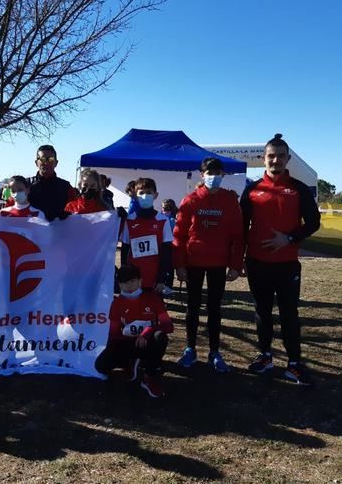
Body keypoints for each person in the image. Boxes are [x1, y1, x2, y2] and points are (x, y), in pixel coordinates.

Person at [241, 133, 321, 386]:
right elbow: (241, 227)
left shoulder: (298, 189)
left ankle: (294, 363)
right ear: (263, 158)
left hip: (287, 265)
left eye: (280, 156)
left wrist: (288, 239)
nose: (275, 160)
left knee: (289, 314)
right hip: (257, 263)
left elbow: (314, 223)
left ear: (287, 159)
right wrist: (239, 259)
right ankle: (265, 356)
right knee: (262, 312)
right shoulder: (252, 190)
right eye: (271, 156)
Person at [172, 157, 244, 373]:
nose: (213, 177)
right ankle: (190, 349)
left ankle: (214, 351)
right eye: (209, 173)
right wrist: (179, 264)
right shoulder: (190, 200)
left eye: (217, 173)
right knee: (192, 308)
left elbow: (238, 236)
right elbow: (179, 235)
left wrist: (235, 264)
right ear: (202, 175)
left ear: (223, 175)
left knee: (214, 309)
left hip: (218, 264)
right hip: (193, 263)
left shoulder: (230, 200)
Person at [96, 265, 173, 398]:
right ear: (119, 284)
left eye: (132, 281)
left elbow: (168, 326)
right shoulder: (117, 303)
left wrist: (147, 332)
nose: (129, 286)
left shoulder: (153, 298)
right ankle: (130, 363)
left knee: (160, 337)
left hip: (148, 343)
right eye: (125, 283)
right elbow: (113, 333)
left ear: (140, 281)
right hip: (128, 344)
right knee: (101, 367)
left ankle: (149, 377)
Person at [119, 177, 173, 293]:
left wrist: (161, 278)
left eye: (149, 193)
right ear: (135, 195)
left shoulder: (163, 220)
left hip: (154, 277)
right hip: (133, 279)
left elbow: (166, 252)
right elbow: (124, 248)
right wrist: (124, 274)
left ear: (155, 195)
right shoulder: (129, 220)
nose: (145, 196)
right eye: (141, 193)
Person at [27, 145, 78, 221]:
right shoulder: (25, 186)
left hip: (58, 231)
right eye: (43, 159)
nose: (46, 163)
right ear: (36, 162)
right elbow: (12, 210)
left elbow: (78, 211)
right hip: (30, 232)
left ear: (56, 163)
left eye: (50, 159)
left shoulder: (66, 188)